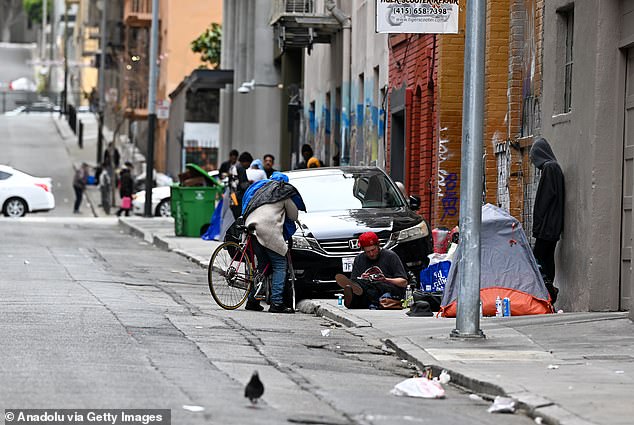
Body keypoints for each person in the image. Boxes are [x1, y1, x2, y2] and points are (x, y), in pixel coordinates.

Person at [241, 172, 306, 313]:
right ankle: (277, 303)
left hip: (251, 230)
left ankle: (252, 300)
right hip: (267, 231)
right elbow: (293, 215)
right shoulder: (283, 193)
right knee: (280, 265)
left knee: (263, 265)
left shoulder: (260, 190)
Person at [530, 137, 565, 305]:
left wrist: (537, 225)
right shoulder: (554, 167)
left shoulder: (549, 168)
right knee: (547, 258)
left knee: (538, 259)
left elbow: (544, 201)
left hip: (547, 227)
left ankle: (547, 292)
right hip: (552, 226)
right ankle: (549, 292)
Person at [335, 231, 408, 309]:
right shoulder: (359, 259)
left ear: (378, 245)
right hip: (367, 291)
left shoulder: (390, 256)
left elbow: (403, 282)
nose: (371, 254)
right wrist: (362, 278)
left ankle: (357, 300)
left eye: (373, 250)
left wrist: (386, 279)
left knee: (376, 286)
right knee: (362, 286)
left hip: (387, 288)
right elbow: (355, 281)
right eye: (367, 252)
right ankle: (352, 300)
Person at [229, 151, 254, 218]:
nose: (249, 166)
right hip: (238, 198)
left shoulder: (234, 167)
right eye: (249, 164)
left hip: (233, 196)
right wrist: (251, 185)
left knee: (235, 216)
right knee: (240, 217)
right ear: (245, 162)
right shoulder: (241, 168)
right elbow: (243, 186)